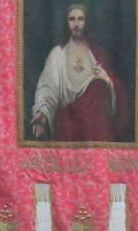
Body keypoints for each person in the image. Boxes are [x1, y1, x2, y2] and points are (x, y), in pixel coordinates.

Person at [30, 3, 131, 142]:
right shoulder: (57, 54)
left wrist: (107, 82)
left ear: (86, 22)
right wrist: (42, 112)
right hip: (67, 128)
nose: (76, 24)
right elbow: (47, 89)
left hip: (95, 129)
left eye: (80, 19)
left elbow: (114, 90)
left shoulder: (96, 54)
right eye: (72, 19)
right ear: (67, 23)